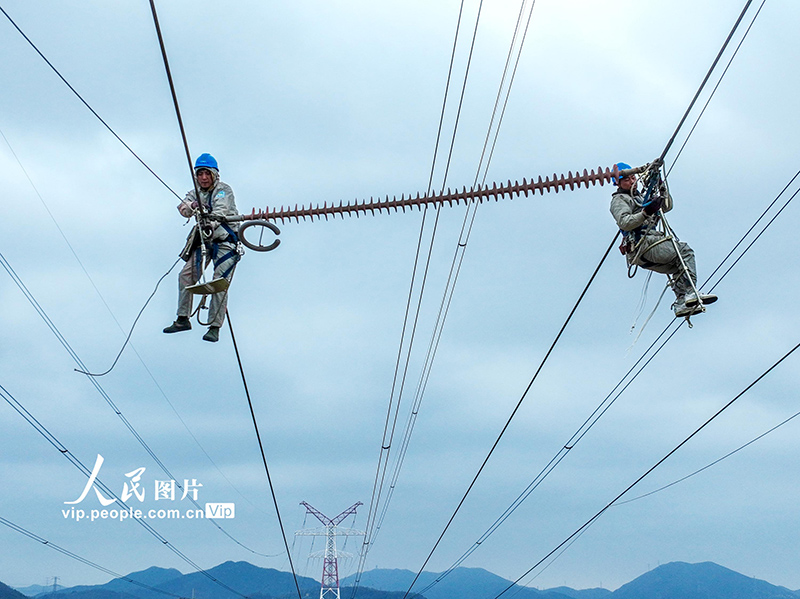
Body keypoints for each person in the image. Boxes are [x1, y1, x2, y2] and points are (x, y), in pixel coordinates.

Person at [610, 162, 716, 318]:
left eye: (633, 178)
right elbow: (625, 222)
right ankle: (690, 292)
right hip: (642, 243)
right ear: (618, 183)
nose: (632, 181)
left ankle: (681, 302)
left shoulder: (641, 197)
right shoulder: (619, 200)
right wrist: (646, 213)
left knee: (678, 265)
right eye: (627, 179)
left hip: (647, 247)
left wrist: (660, 187)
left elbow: (666, 206)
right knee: (684, 252)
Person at [163, 153, 241, 342]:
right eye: (200, 174)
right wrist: (192, 205)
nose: (204, 178)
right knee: (186, 275)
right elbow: (182, 208)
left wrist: (210, 223)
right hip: (204, 240)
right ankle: (183, 318)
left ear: (214, 174)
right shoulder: (195, 192)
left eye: (207, 174)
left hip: (224, 241)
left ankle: (214, 326)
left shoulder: (223, 191)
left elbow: (220, 211)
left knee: (219, 282)